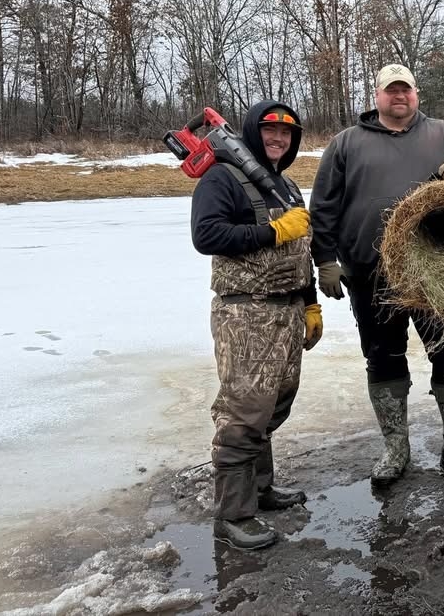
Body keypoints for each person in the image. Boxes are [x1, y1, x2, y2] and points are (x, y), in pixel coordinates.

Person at [309, 63, 444, 486]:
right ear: (376, 95)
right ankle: (396, 447)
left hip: (440, 272)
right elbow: (323, 206)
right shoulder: (346, 143)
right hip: (372, 274)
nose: (399, 96)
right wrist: (325, 259)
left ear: (416, 93)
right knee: (382, 357)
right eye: (391, 90)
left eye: (405, 89)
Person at [190, 100, 322, 551]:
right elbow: (207, 235)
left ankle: (261, 489)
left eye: (287, 133)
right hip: (246, 314)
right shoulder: (222, 178)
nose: (278, 139)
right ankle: (232, 516)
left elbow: (301, 251)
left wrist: (311, 304)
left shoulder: (287, 186)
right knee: (244, 413)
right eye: (269, 130)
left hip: (287, 312)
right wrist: (273, 231)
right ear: (251, 132)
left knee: (273, 405)